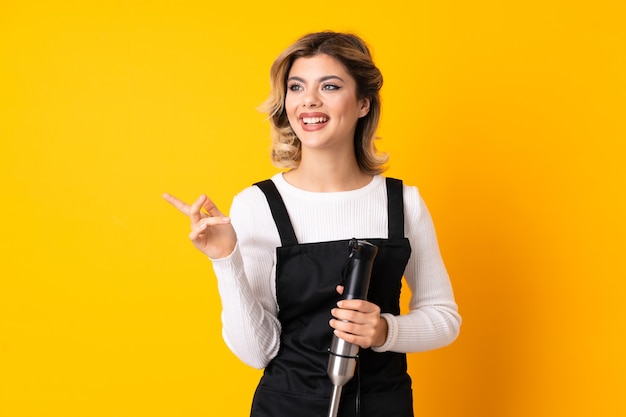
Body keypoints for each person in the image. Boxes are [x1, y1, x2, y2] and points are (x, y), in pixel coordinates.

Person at [163, 31, 461, 417]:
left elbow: (444, 318)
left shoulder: (402, 203)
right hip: (286, 406)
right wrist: (225, 259)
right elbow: (257, 353)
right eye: (296, 87)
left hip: (383, 405)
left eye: (330, 86)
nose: (309, 101)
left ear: (363, 104)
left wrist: (385, 331)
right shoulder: (257, 205)